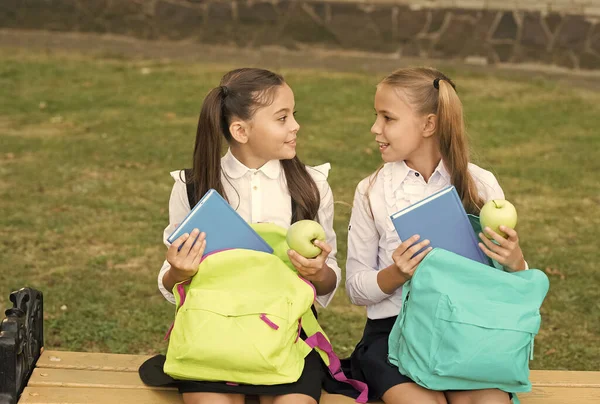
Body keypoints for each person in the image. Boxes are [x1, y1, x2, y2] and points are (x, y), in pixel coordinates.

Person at [156, 68, 341, 404]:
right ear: (240, 130)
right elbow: (170, 281)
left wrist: (319, 272)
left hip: (288, 339)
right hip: (212, 339)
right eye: (282, 118)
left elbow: (329, 281)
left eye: (293, 115)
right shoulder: (192, 187)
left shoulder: (311, 187)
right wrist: (178, 272)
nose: (295, 126)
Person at [344, 67, 527, 404]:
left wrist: (514, 262)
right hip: (394, 336)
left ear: (428, 125)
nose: (375, 129)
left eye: (388, 118)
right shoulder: (372, 191)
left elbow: (506, 288)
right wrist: (396, 274)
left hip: (465, 332)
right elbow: (356, 289)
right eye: (377, 117)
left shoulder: (481, 184)